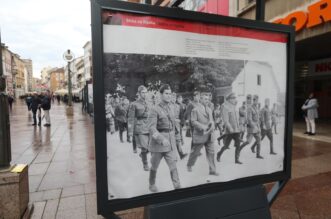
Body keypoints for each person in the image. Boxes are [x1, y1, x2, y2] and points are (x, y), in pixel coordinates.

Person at [148, 84, 181, 192]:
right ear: (161, 94)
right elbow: (151, 128)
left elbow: (173, 125)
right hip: (158, 144)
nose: (169, 96)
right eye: (166, 93)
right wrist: (162, 139)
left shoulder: (171, 107)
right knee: (154, 166)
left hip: (170, 142)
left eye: (170, 94)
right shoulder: (154, 109)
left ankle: (177, 186)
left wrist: (177, 139)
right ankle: (152, 184)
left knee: (173, 165)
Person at [187, 91, 218, 176]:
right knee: (195, 152)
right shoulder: (195, 110)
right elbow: (193, 121)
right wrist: (203, 127)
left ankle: (212, 170)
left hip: (210, 135)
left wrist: (212, 125)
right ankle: (189, 164)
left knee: (211, 153)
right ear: (200, 99)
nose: (207, 101)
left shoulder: (209, 109)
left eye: (208, 99)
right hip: (200, 134)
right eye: (205, 99)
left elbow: (211, 120)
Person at [128, 85, 151, 171]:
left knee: (151, 147)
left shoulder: (149, 103)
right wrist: (130, 132)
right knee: (145, 147)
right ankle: (145, 164)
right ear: (139, 93)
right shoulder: (134, 104)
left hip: (149, 126)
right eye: (142, 92)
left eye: (146, 92)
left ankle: (143, 154)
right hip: (140, 127)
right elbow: (130, 118)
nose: (144, 94)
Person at [216, 93, 243, 164]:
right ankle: (219, 154)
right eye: (233, 98)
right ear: (229, 99)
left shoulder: (235, 107)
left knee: (238, 144)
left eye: (235, 97)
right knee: (226, 146)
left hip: (236, 130)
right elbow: (226, 120)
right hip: (230, 130)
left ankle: (236, 160)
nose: (235, 99)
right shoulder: (225, 107)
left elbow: (238, 118)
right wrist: (230, 128)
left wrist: (240, 126)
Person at [240, 95, 263, 159]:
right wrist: (254, 126)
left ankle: (258, 155)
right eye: (256, 100)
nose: (257, 102)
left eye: (258, 100)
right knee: (248, 142)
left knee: (259, 140)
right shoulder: (250, 108)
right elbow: (249, 119)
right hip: (251, 128)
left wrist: (259, 127)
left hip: (256, 128)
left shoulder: (256, 107)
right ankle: (239, 148)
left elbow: (257, 119)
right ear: (254, 100)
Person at [172, 93, 187, 159]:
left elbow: (181, 115)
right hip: (170, 126)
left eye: (174, 98)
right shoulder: (167, 106)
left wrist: (182, 123)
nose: (173, 99)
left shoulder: (177, 106)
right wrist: (175, 120)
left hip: (177, 125)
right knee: (171, 141)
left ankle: (181, 154)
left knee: (178, 140)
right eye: (172, 97)